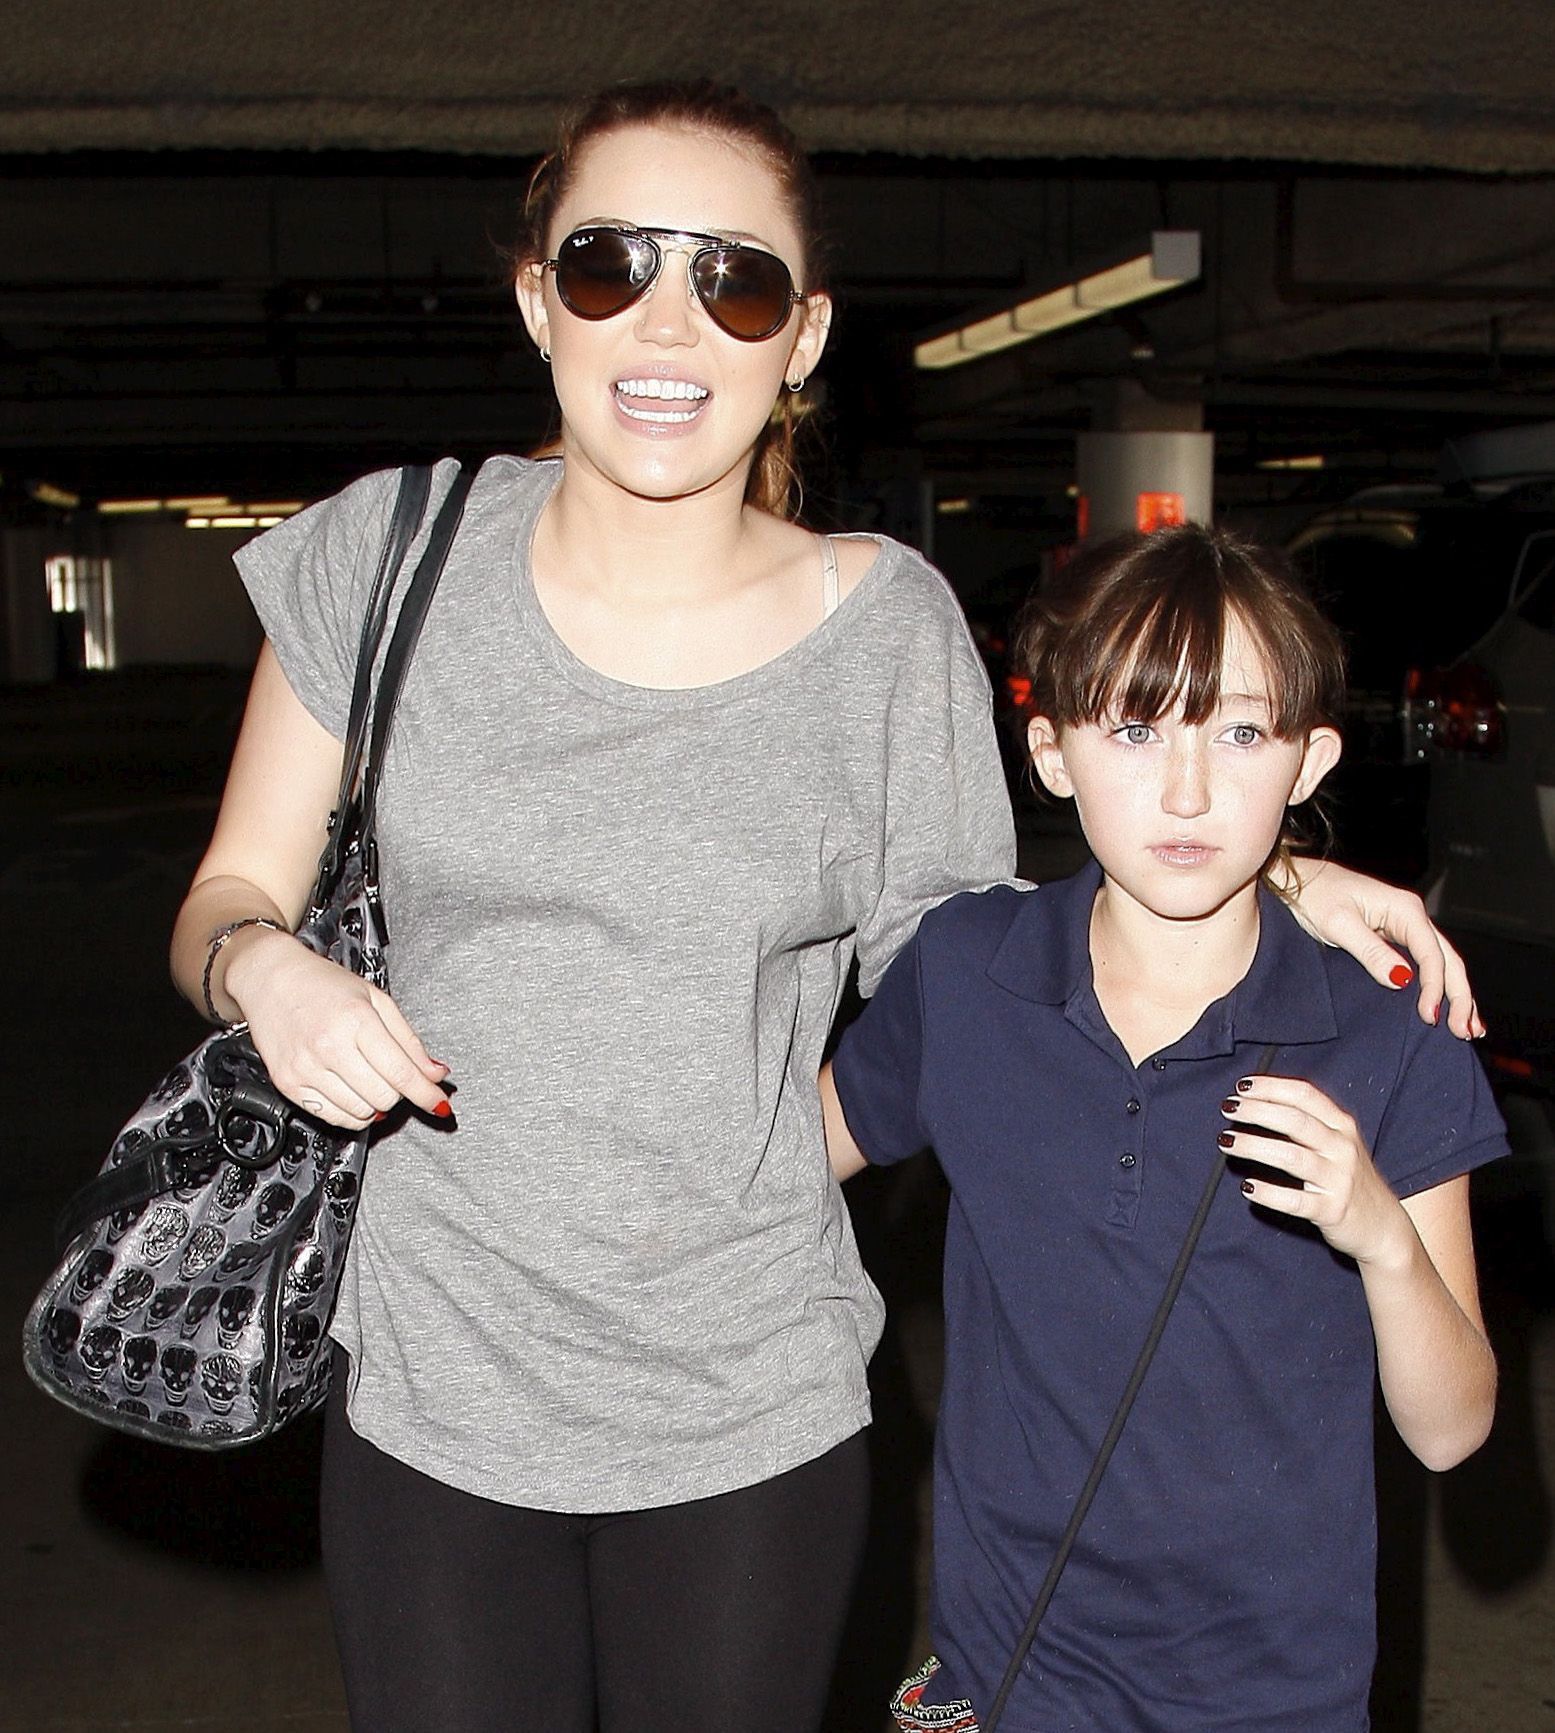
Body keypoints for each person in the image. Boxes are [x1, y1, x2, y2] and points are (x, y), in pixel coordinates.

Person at [170, 80, 1476, 1733]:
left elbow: (992, 956)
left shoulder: (884, 630)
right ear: (536, 299)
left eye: (734, 280)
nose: (668, 321)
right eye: (611, 264)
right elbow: (223, 895)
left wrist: (1274, 867)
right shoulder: (389, 556)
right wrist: (260, 964)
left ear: (802, 335)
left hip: (751, 1388)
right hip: (438, 1370)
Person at [821, 524, 1504, 1733]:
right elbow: (766, 1171)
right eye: (1135, 731)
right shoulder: (967, 973)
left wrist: (1382, 1238)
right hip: (1014, 1674)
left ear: (1308, 760)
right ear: (1050, 753)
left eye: (1239, 733)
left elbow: (1452, 1431)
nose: (1187, 792)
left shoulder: (1387, 1027)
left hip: (1277, 1691)